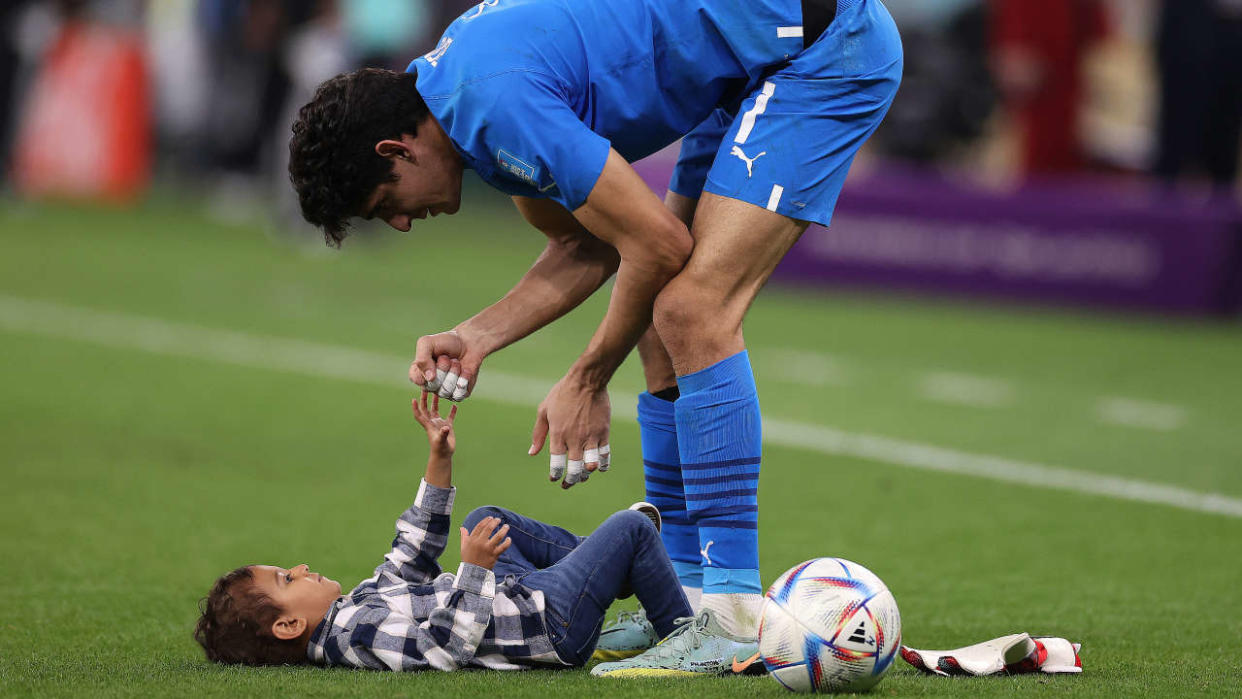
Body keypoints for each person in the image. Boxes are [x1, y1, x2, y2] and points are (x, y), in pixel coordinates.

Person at [287, 0, 902, 676]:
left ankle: (731, 619)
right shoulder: (462, 105)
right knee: (660, 329)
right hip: (750, 69)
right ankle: (692, 599)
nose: (402, 225)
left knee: (692, 311)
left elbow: (657, 244)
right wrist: (477, 334)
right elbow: (592, 243)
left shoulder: (495, 105)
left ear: (396, 149)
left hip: (820, 51)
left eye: (385, 205)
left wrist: (587, 377)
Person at [193, 392, 703, 671]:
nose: (299, 568)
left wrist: (438, 460)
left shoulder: (354, 605)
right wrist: (475, 571)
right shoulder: (352, 637)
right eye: (286, 579)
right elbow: (443, 647)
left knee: (485, 518)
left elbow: (411, 551)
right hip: (550, 624)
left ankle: (614, 569)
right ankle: (687, 642)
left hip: (522, 595)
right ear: (287, 627)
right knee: (632, 527)